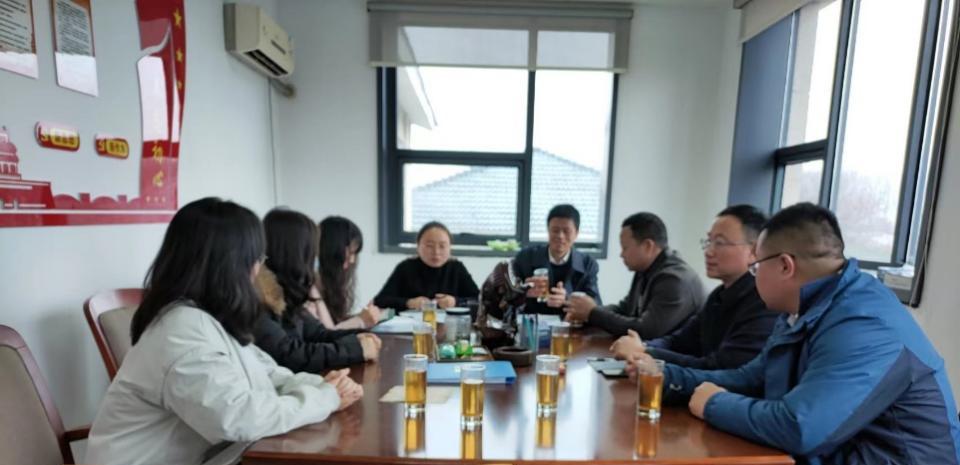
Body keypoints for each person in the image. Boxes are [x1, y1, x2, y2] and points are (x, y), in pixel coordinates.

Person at [637, 203, 960, 464]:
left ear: (785, 266)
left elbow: (800, 427)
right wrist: (665, 378)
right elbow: (752, 378)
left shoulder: (865, 323)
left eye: (756, 266)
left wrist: (714, 404)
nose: (754, 275)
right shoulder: (802, 309)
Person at [85, 198, 363, 465]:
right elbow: (240, 419)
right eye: (257, 259)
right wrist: (325, 397)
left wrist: (322, 387)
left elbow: (267, 373)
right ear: (231, 266)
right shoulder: (181, 330)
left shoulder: (205, 317)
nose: (259, 269)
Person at [609, 205, 776, 369]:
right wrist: (642, 346)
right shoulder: (718, 296)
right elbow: (678, 341)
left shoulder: (763, 302)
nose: (708, 251)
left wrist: (645, 352)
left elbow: (719, 367)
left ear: (754, 251)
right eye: (709, 241)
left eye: (719, 243)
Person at [253, 208, 382, 374]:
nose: (316, 258)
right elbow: (289, 354)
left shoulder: (288, 292)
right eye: (312, 251)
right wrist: (356, 348)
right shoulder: (257, 299)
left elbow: (320, 334)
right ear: (295, 253)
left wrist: (360, 336)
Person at [566, 212, 704, 339]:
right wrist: (585, 313)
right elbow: (624, 309)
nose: (621, 254)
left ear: (648, 246)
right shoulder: (645, 269)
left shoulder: (674, 280)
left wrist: (593, 313)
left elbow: (646, 330)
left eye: (625, 248)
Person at [512, 204, 601, 315]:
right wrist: (524, 292)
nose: (560, 236)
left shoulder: (588, 264)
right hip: (532, 321)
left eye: (566, 231)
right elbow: (507, 299)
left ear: (576, 233)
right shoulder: (525, 258)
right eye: (555, 230)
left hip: (570, 323)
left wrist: (568, 298)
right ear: (548, 231)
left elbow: (596, 306)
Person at [374, 221, 480, 310]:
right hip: (411, 326)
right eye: (429, 246)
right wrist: (409, 303)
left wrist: (455, 302)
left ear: (450, 247)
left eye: (442, 246)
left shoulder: (457, 268)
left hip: (449, 325)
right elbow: (380, 301)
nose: (436, 252)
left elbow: (478, 301)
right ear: (418, 246)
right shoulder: (405, 268)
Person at [314, 216, 382, 329]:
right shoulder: (310, 286)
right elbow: (325, 334)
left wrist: (363, 317)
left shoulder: (329, 283)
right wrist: (360, 320)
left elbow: (333, 324)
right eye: (350, 252)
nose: (352, 260)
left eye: (355, 253)